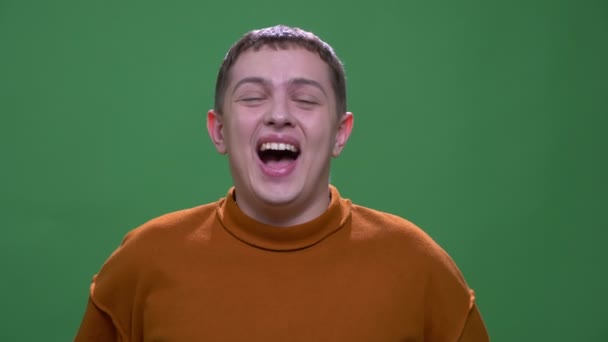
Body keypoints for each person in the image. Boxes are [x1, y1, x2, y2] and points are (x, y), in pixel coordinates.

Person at [75, 25, 489, 341]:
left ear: (340, 133)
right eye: (253, 97)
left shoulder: (419, 268)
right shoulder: (143, 263)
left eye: (305, 100)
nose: (278, 115)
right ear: (218, 130)